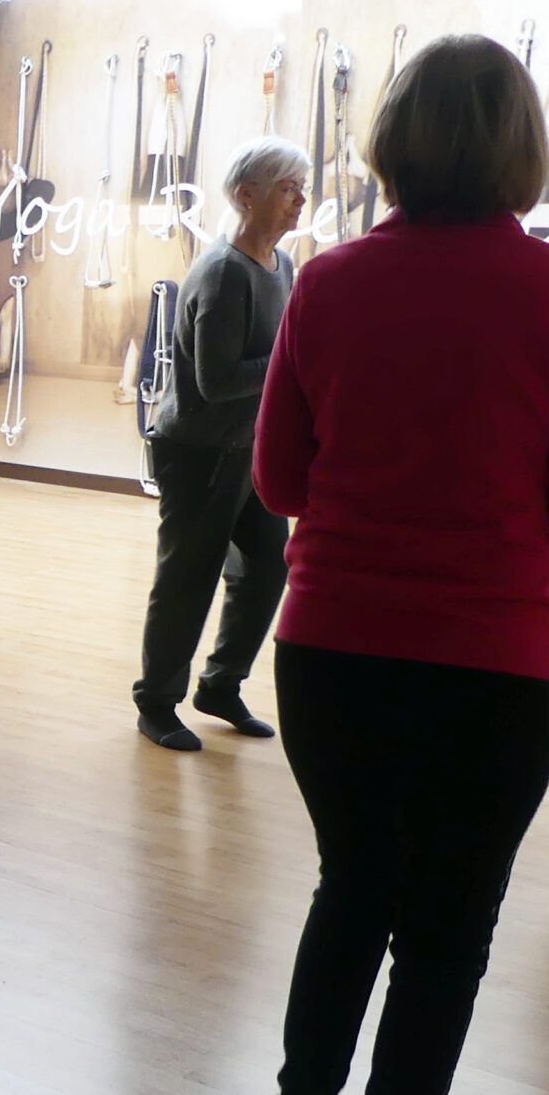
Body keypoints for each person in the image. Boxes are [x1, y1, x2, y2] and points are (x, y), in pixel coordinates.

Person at [254, 34, 549, 1095]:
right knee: (447, 926)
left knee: (350, 887)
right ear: (526, 149)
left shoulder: (324, 281)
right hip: (488, 659)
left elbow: (275, 482)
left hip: (329, 645)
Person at [130, 136, 307, 751]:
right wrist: (291, 358)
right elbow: (216, 380)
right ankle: (155, 701)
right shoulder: (224, 272)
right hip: (200, 450)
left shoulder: (280, 265)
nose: (300, 201)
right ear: (246, 195)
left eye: (300, 189)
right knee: (188, 577)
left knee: (265, 567)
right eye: (288, 189)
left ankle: (220, 684)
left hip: (249, 449)